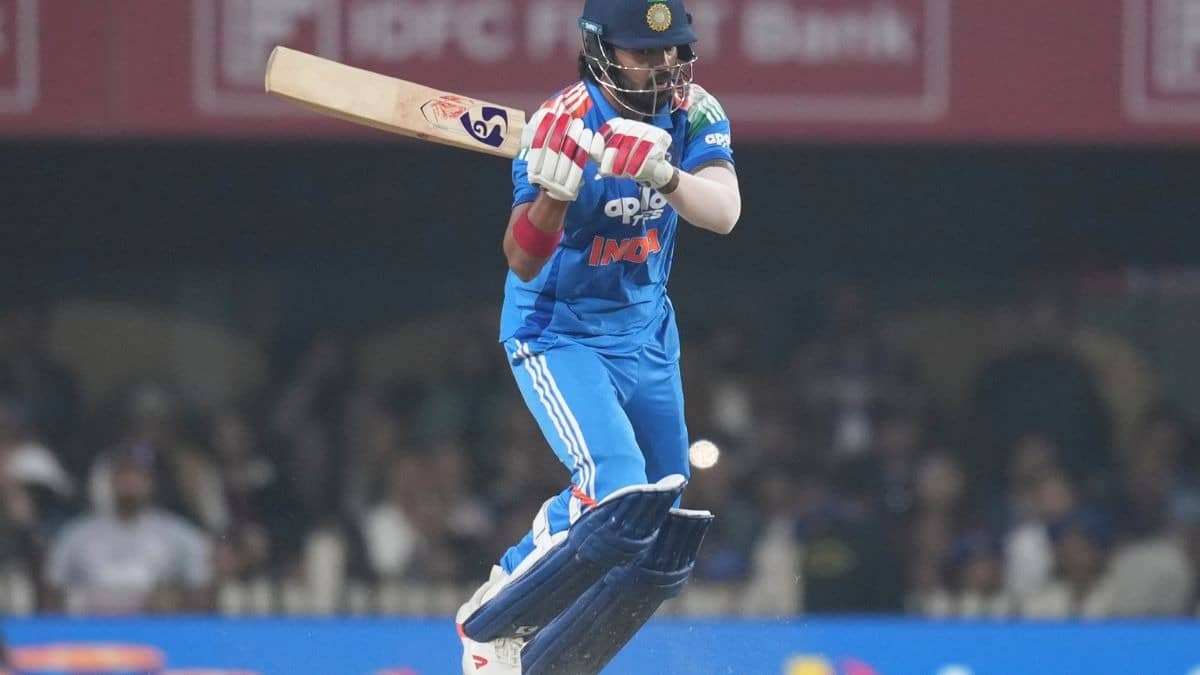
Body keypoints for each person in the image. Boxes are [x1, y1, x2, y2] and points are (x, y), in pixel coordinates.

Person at [456, 1, 740, 673]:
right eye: (645, 52)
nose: (664, 65)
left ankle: (557, 657)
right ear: (600, 51)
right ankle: (492, 619)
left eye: (673, 50)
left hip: (646, 332)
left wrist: (663, 174)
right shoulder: (559, 124)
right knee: (613, 486)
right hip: (560, 332)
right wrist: (554, 196)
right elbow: (522, 259)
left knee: (657, 514)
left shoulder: (695, 110)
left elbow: (724, 212)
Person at [43, 444, 213, 614]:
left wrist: (175, 601)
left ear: (151, 482)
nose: (130, 482)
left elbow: (200, 591)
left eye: (138, 475)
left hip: (156, 626)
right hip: (91, 626)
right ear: (111, 480)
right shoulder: (76, 534)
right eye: (123, 474)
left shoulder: (180, 534)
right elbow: (52, 591)